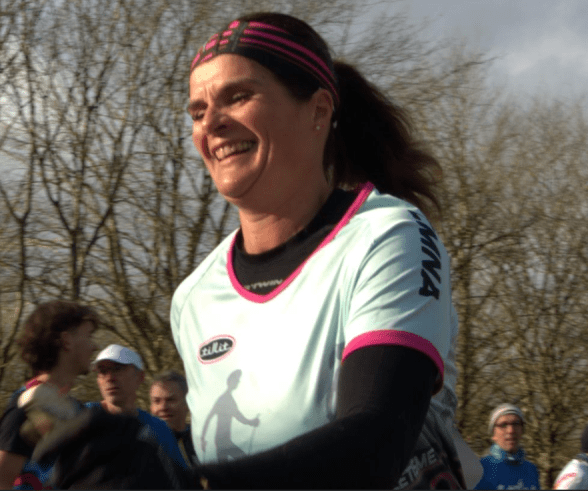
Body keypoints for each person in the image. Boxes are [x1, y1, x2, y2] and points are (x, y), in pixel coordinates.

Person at [172, 11, 464, 489]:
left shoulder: (388, 234)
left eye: (238, 97)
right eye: (198, 112)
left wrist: (191, 485)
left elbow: (375, 446)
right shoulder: (192, 298)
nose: (213, 124)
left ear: (318, 111)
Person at [0, 300, 99, 489]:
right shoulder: (26, 405)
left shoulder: (77, 410)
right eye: (88, 335)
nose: (94, 346)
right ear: (67, 341)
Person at [88, 344, 188, 470]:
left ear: (140, 377)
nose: (110, 378)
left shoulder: (157, 429)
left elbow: (179, 478)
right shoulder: (81, 418)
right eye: (103, 372)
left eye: (118, 369)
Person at [473, 404, 539, 490]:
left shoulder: (531, 470)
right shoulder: (480, 469)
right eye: (503, 425)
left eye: (516, 424)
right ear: (493, 434)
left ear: (522, 431)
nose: (511, 430)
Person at [149, 370, 198, 465]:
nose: (163, 407)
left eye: (170, 400)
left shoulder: (202, 441)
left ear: (187, 403)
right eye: (157, 401)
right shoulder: (140, 445)